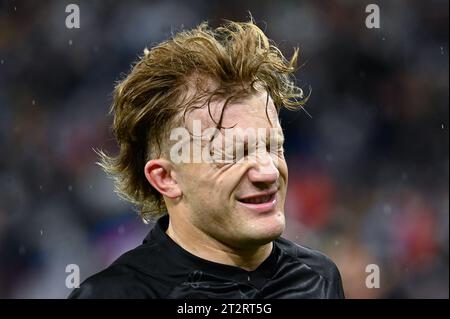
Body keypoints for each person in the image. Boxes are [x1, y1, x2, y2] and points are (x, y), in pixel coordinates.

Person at [68, 19, 345, 299]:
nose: (269, 172)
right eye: (233, 154)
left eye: (274, 147)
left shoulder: (318, 279)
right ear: (166, 177)